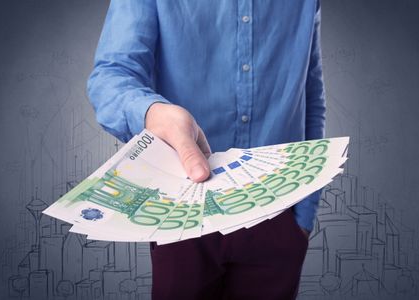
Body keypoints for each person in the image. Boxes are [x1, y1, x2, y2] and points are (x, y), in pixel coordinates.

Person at [87, 1, 325, 299]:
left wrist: (304, 215)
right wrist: (151, 113)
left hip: (278, 217)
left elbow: (310, 92)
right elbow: (111, 75)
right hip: (182, 215)